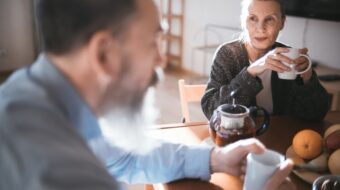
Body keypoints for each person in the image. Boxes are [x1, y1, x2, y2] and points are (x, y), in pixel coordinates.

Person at [0, 0, 294, 189]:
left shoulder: (71, 102)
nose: (161, 62)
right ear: (103, 53)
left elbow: (129, 159)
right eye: (152, 42)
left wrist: (215, 159)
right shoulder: (45, 167)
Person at [201, 0, 330, 121]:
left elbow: (316, 114)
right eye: (253, 18)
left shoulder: (289, 58)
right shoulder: (227, 55)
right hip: (240, 138)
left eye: (269, 19)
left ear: (282, 23)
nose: (260, 28)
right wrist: (250, 73)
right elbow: (211, 110)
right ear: (243, 21)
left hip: (280, 138)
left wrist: (307, 77)